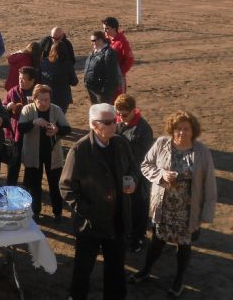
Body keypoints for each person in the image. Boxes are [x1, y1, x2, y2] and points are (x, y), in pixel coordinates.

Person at [130, 111, 217, 297]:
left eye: (186, 129)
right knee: (157, 241)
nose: (182, 132)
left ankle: (179, 280)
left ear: (193, 130)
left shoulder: (202, 151)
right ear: (172, 129)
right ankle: (146, 270)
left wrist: (207, 213)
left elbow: (210, 183)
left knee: (184, 245)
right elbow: (146, 165)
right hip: (163, 206)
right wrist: (161, 174)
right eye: (178, 128)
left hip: (188, 210)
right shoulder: (162, 143)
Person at [59, 103, 137, 300]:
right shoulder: (79, 150)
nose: (115, 125)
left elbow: (133, 168)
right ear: (94, 125)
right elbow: (67, 187)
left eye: (115, 120)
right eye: (108, 122)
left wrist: (132, 181)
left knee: (116, 267)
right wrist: (89, 211)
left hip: (117, 219)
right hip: (90, 224)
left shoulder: (120, 143)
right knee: (83, 268)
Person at [18, 84, 71, 222]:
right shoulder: (27, 109)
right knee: (34, 185)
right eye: (40, 100)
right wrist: (34, 122)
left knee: (55, 184)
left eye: (47, 99)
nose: (44, 103)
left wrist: (57, 130)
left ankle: (58, 212)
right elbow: (21, 128)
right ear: (34, 99)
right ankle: (35, 211)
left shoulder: (56, 109)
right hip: (32, 154)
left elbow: (67, 128)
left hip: (53, 154)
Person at [114, 94, 154, 253]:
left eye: (124, 115)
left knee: (139, 206)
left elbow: (140, 157)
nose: (121, 117)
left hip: (138, 173)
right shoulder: (118, 122)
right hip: (122, 171)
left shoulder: (144, 129)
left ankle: (139, 237)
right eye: (118, 114)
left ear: (133, 111)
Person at [4, 66, 38, 186]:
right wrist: (8, 107)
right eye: (19, 78)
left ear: (32, 80)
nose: (20, 81)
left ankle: (28, 186)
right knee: (13, 163)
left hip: (32, 133)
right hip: (15, 134)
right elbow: (3, 109)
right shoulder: (13, 91)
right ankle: (10, 187)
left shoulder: (38, 93)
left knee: (30, 163)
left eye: (23, 79)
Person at [40, 40, 78, 114]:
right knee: (60, 117)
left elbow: (40, 78)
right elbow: (74, 82)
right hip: (63, 97)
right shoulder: (67, 64)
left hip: (47, 95)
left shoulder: (45, 62)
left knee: (47, 116)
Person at [83, 31, 120, 104]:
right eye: (91, 41)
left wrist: (105, 90)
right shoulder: (95, 51)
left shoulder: (109, 53)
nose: (92, 43)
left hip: (102, 91)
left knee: (103, 109)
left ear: (101, 40)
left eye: (93, 40)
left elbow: (111, 74)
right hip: (92, 87)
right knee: (95, 108)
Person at [103, 17, 134, 96]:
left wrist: (119, 72)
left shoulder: (122, 42)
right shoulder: (106, 39)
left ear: (114, 28)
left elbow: (130, 59)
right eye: (104, 28)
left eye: (107, 28)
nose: (105, 31)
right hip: (106, 76)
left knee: (118, 100)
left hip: (117, 78)